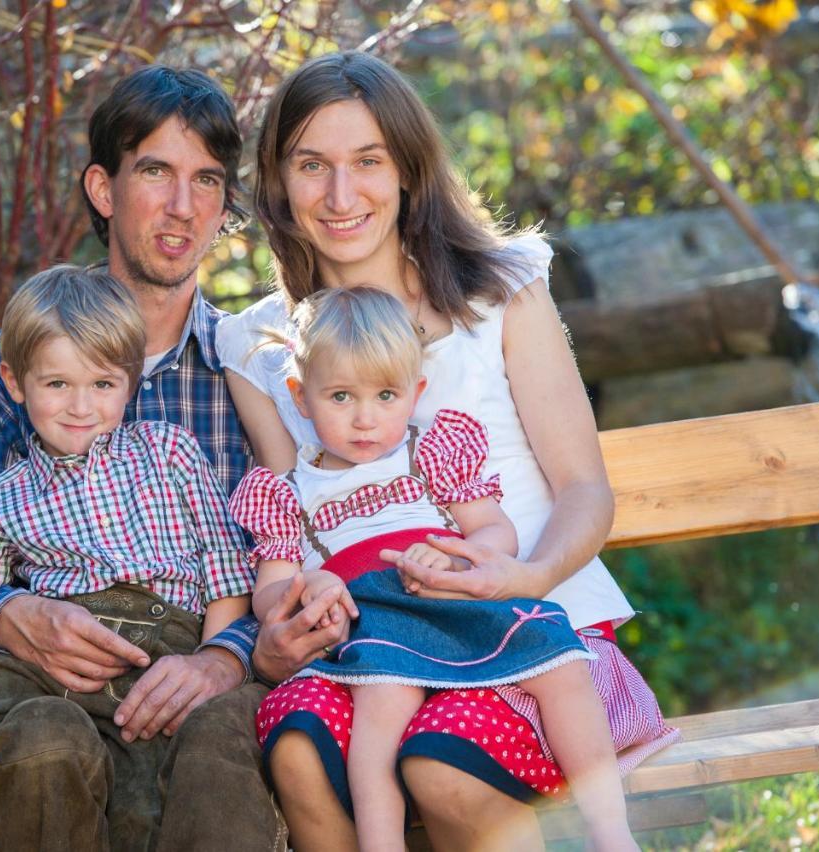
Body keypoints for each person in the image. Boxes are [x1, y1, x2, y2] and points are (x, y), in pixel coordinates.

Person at [217, 51, 680, 850]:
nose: (340, 195)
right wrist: (287, 624)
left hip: (537, 627)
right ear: (277, 181)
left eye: (368, 162)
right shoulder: (257, 350)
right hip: (382, 643)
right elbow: (295, 530)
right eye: (311, 165)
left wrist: (523, 574)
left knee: (441, 765)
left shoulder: (499, 292)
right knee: (296, 739)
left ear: (408, 170)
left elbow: (584, 490)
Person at [0, 65, 341, 851]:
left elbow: (291, 551)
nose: (182, 207)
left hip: (217, 710)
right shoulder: (9, 369)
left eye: (207, 182)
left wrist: (224, 660)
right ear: (103, 188)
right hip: (66, 700)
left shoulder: (253, 366)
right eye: (155, 172)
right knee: (43, 753)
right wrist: (13, 615)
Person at [231, 286, 637, 851]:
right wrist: (308, 586)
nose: (366, 418)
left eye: (386, 395)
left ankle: (611, 831)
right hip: (377, 625)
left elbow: (497, 532)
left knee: (560, 663)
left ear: (415, 392)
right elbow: (269, 593)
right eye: (341, 397)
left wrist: (456, 554)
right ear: (301, 397)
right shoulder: (289, 494)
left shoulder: (432, 453)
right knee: (378, 723)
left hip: (456, 600)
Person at [0, 266, 253, 852]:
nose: (80, 407)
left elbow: (224, 571)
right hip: (51, 658)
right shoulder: (4, 497)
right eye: (56, 385)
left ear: (131, 380)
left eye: (102, 384)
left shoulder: (170, 453)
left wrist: (207, 664)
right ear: (15, 383)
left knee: (146, 801)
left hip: (161, 650)